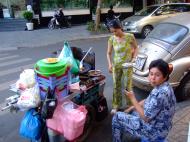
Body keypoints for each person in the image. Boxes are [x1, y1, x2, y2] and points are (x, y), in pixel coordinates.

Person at [112, 59, 176, 142]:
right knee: (132, 112)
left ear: (165, 76)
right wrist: (130, 108)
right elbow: (148, 100)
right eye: (151, 74)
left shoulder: (159, 93)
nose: (153, 78)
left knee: (116, 117)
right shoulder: (166, 86)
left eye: (157, 75)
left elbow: (146, 118)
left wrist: (132, 98)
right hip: (163, 127)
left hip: (154, 131)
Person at [106, 19, 138, 114]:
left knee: (127, 85)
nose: (114, 33)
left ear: (120, 27)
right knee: (116, 85)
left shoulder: (130, 37)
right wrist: (110, 64)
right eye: (112, 32)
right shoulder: (112, 39)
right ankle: (116, 105)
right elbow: (108, 53)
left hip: (128, 65)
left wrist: (134, 59)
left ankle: (130, 105)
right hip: (116, 65)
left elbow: (136, 48)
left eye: (115, 31)